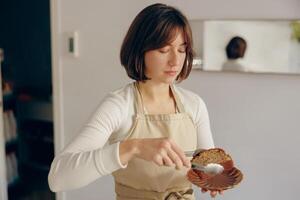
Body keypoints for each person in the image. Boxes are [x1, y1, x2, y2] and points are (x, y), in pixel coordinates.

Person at [48, 3, 222, 199]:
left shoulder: (194, 104)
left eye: (181, 50)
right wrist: (133, 147)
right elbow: (58, 178)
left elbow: (207, 162)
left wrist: (212, 175)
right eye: (164, 50)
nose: (175, 61)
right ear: (140, 50)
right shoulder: (119, 106)